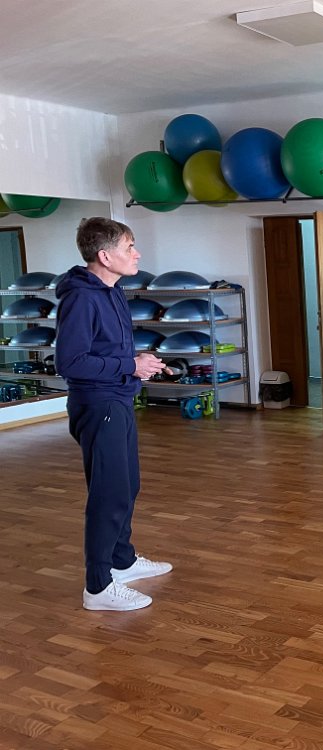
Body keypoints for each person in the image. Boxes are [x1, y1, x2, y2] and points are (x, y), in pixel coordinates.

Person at [55, 218, 172, 612]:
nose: (137, 254)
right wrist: (129, 365)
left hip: (119, 399)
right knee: (108, 494)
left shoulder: (113, 290)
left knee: (127, 486)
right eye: (129, 247)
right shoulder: (81, 298)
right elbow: (70, 362)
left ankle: (121, 561)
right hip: (98, 404)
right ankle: (98, 586)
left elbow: (108, 350)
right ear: (105, 256)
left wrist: (138, 363)